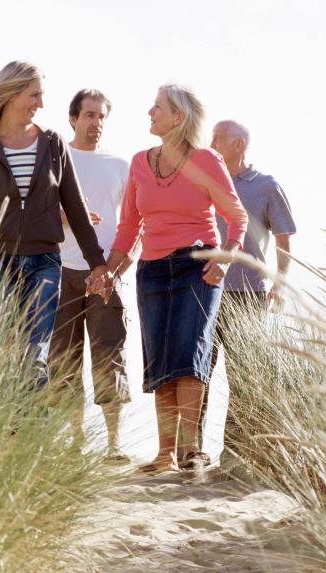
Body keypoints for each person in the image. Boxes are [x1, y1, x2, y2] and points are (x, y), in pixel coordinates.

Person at [90, 85, 247, 474]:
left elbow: (236, 217)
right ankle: (164, 455)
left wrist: (225, 259)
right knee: (160, 360)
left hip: (198, 265)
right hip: (152, 270)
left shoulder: (207, 160)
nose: (149, 112)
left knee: (189, 354)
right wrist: (109, 269)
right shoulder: (141, 163)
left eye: (157, 108)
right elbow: (129, 226)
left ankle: (190, 450)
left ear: (179, 117)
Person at [0, 61, 109, 388]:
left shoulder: (52, 144)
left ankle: (30, 431)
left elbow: (75, 206)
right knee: (2, 351)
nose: (40, 104)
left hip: (44, 263)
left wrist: (98, 264)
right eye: (34, 95)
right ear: (11, 94)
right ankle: (7, 433)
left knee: (34, 351)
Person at [200, 120, 298, 459]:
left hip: (248, 294)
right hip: (204, 291)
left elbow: (284, 240)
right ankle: (192, 453)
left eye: (217, 138)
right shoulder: (204, 183)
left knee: (243, 375)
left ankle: (236, 456)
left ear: (238, 144)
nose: (210, 143)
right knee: (198, 372)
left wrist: (279, 284)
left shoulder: (266, 186)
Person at [49, 88, 132, 460]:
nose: (96, 123)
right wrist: (71, 219)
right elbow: (32, 214)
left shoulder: (119, 166)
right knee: (63, 359)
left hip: (104, 276)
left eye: (101, 117)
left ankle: (114, 446)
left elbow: (134, 224)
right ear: (73, 118)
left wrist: (115, 270)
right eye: (89, 116)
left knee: (109, 355)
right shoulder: (54, 159)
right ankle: (76, 442)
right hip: (59, 269)